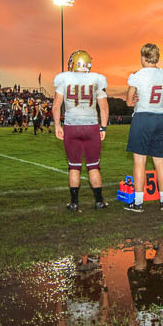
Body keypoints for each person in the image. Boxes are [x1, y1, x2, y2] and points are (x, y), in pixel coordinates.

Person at [53, 49, 110, 212]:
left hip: (71, 126)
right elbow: (104, 107)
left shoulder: (65, 79)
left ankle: (74, 203)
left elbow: (56, 105)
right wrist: (103, 126)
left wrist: (57, 125)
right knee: (93, 166)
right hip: (91, 125)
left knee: (74, 166)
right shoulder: (97, 80)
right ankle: (99, 201)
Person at [124, 43, 163, 212]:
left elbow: (129, 102)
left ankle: (138, 202)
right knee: (160, 161)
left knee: (139, 161)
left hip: (142, 117)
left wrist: (136, 98)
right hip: (160, 118)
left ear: (143, 57)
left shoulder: (137, 75)